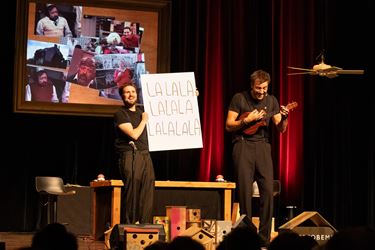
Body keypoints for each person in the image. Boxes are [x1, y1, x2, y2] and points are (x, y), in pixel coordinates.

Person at [225, 69, 290, 247]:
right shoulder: (239, 98)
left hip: (263, 145)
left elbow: (281, 128)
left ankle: (264, 238)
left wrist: (285, 117)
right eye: (258, 88)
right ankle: (247, 238)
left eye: (264, 88)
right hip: (243, 144)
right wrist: (246, 121)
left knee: (268, 191)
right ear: (252, 85)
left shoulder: (272, 100)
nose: (261, 91)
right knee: (245, 191)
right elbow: (229, 125)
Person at [114, 82, 155, 224]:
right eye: (127, 92)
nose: (131, 94)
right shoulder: (121, 113)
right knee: (132, 193)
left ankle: (145, 225)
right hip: (131, 155)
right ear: (122, 96)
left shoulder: (141, 110)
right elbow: (134, 135)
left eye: (133, 91)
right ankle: (129, 227)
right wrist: (144, 121)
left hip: (145, 155)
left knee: (147, 192)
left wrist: (191, 95)